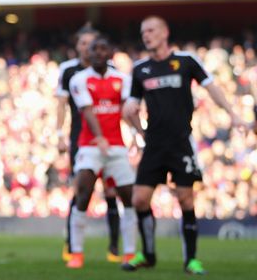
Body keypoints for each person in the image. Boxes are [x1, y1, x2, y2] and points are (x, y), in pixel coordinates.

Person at [122, 16, 247, 274]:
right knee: (140, 199)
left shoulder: (186, 62)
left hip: (181, 141)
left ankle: (191, 259)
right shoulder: (140, 69)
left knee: (186, 199)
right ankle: (148, 255)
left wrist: (233, 114)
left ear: (165, 32)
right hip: (154, 144)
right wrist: (134, 120)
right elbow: (130, 108)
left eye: (151, 30)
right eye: (143, 31)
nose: (146, 35)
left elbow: (211, 87)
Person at [66, 35, 137, 269]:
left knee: (128, 197)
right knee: (83, 194)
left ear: (110, 53)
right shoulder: (79, 79)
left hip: (116, 146)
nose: (97, 52)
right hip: (90, 145)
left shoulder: (123, 79)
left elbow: (128, 110)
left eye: (102, 48)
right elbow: (87, 111)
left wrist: (140, 134)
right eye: (94, 49)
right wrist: (100, 138)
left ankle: (129, 252)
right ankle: (76, 253)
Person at [56, 25, 123, 262]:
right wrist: (59, 134)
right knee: (81, 189)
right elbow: (62, 104)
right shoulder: (68, 71)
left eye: (91, 44)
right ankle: (71, 244)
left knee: (112, 190)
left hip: (110, 138)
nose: (88, 48)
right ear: (77, 46)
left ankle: (115, 246)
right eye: (83, 43)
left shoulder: (113, 71)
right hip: (81, 137)